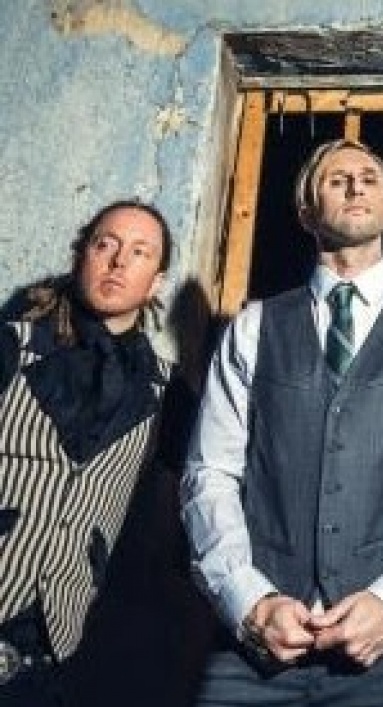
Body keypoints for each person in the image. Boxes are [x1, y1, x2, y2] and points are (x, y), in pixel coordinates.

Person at [180, 138, 383, 707]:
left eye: (370, 178)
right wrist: (249, 602)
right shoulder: (254, 326)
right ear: (305, 211)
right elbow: (210, 473)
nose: (355, 186)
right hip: (253, 651)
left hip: (380, 652)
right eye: (336, 178)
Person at [0, 199, 174, 706]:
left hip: (56, 658)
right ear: (83, 255)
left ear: (156, 283)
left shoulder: (165, 392)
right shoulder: (12, 344)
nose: (118, 261)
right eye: (106, 245)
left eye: (140, 252)